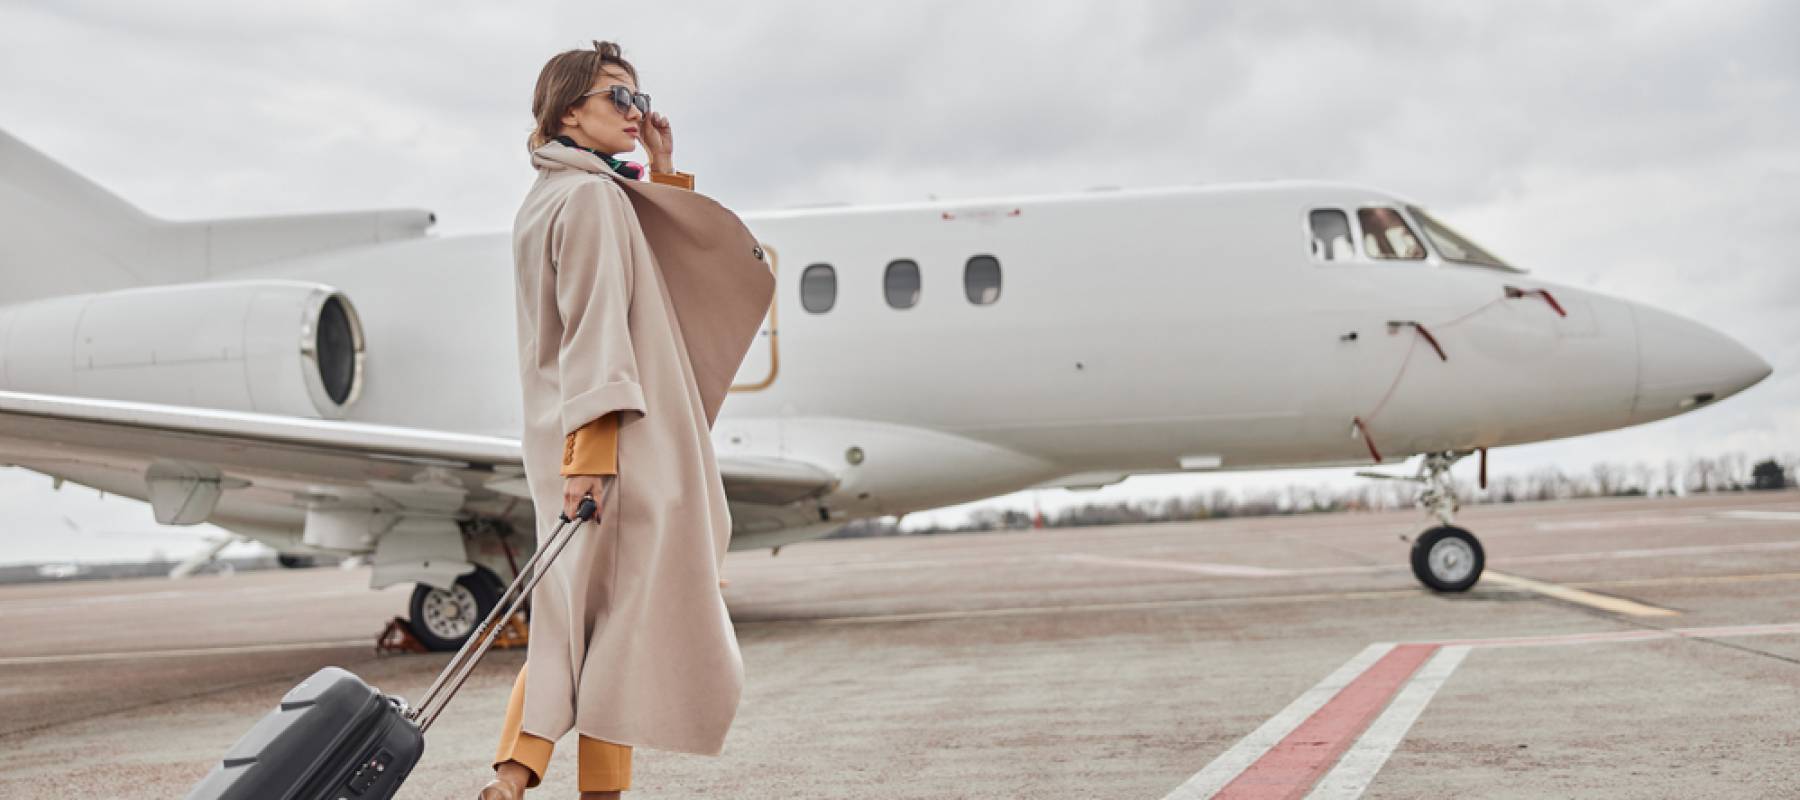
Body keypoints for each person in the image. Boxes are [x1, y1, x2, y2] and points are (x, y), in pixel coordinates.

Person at [482, 40, 774, 799]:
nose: (636, 113)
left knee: (588, 623)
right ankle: (530, 779)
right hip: (613, 444)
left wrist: (667, 173)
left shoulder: (555, 193)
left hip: (579, 438)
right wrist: (594, 455)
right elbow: (599, 327)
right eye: (620, 97)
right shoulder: (591, 199)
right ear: (569, 109)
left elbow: (646, 288)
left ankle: (520, 778)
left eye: (641, 99)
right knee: (611, 629)